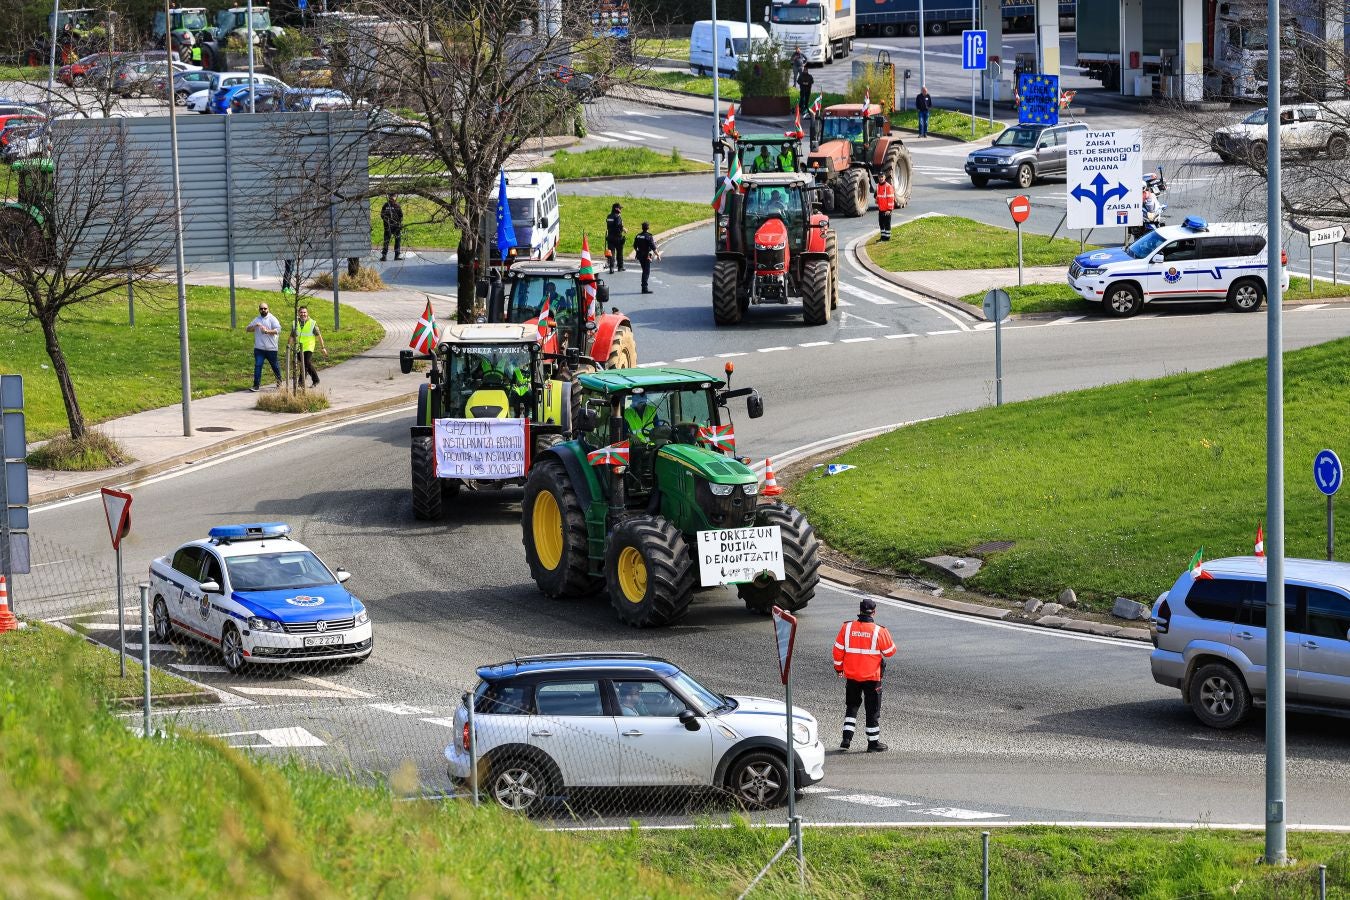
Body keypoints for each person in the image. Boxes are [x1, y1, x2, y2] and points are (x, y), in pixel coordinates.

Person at [832, 598, 897, 752]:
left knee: (852, 707)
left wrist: (839, 669)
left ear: (860, 610)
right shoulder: (879, 631)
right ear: (874, 612)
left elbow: (837, 651)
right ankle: (873, 744)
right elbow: (890, 652)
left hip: (852, 676)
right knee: (872, 710)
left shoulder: (846, 628)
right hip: (872, 678)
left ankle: (846, 739)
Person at [245, 301, 281, 392]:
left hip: (271, 349)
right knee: (258, 365)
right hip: (259, 349)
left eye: (265, 308)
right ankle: (256, 385)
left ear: (268, 309)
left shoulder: (272, 319)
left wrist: (267, 331)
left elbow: (278, 330)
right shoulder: (257, 319)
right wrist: (254, 326)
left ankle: (279, 381)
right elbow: (247, 329)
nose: (263, 310)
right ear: (259, 310)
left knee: (275, 366)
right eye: (261, 308)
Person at [289, 305, 328, 388]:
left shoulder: (312, 323)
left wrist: (323, 348)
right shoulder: (295, 323)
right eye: (301, 312)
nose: (303, 314)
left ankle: (304, 381)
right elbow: (292, 336)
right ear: (298, 313)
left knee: (306, 362)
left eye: (304, 312)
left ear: (307, 313)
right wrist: (288, 346)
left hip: (309, 347)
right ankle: (310, 381)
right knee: (305, 365)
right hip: (298, 348)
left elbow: (319, 336)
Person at [633, 222, 659, 294]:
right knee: (646, 272)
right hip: (646, 256)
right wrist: (658, 255)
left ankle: (644, 287)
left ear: (642, 228)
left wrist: (638, 251)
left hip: (640, 255)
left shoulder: (638, 236)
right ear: (648, 228)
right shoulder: (649, 236)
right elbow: (653, 247)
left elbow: (635, 246)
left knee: (644, 270)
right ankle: (644, 288)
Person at [380, 194, 403, 261]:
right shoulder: (387, 205)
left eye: (393, 197)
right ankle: (385, 256)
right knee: (388, 241)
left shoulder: (395, 205)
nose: (392, 198)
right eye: (392, 197)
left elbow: (401, 216)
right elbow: (382, 215)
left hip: (394, 226)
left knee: (395, 241)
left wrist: (399, 223)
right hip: (389, 226)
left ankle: (395, 255)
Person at [875, 172, 896, 241]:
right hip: (881, 209)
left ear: (884, 177)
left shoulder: (888, 186)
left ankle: (887, 238)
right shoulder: (878, 186)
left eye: (882, 177)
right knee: (881, 224)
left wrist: (889, 210)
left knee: (887, 224)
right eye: (879, 177)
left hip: (887, 210)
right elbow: (878, 195)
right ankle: (883, 237)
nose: (881, 178)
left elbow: (891, 198)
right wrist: (877, 200)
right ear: (878, 178)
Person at [605, 202, 625, 273]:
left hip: (610, 237)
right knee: (619, 252)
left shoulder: (608, 216)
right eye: (620, 208)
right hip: (618, 237)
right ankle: (620, 267)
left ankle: (611, 268)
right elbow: (619, 225)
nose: (620, 209)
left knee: (611, 253)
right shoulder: (617, 216)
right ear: (616, 208)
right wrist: (624, 229)